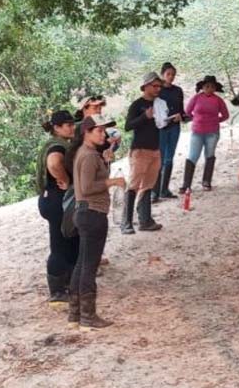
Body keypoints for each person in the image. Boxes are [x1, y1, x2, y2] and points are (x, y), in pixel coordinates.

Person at [68, 114, 126, 331]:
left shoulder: (88, 154)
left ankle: (75, 315)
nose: (104, 134)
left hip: (84, 212)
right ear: (87, 133)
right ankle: (88, 317)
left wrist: (106, 162)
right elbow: (86, 187)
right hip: (93, 212)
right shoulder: (89, 155)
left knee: (82, 263)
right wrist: (112, 181)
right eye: (99, 131)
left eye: (105, 130)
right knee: (89, 266)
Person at [36, 109, 79, 307]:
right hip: (56, 200)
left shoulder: (57, 144)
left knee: (69, 240)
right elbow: (54, 164)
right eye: (68, 125)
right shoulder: (57, 147)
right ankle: (57, 290)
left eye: (73, 124)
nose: (72, 128)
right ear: (57, 128)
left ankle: (70, 283)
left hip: (51, 199)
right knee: (59, 244)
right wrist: (66, 180)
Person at [122, 72, 164, 234]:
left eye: (159, 86)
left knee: (148, 185)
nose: (157, 89)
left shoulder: (160, 104)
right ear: (145, 86)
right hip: (140, 150)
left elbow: (161, 124)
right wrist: (144, 116)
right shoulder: (137, 104)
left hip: (155, 149)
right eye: (155, 86)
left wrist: (171, 119)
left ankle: (145, 220)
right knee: (133, 185)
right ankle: (126, 222)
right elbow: (128, 126)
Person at [182, 75, 230, 192]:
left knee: (209, 155)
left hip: (212, 132)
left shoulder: (218, 100)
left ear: (215, 88)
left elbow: (226, 115)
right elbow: (187, 111)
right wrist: (196, 118)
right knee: (193, 156)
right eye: (207, 86)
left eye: (212, 87)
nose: (209, 89)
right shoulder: (196, 98)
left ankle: (206, 181)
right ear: (202, 87)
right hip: (197, 131)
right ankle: (186, 184)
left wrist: (215, 120)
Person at [153, 62, 184, 202]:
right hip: (160, 128)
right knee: (159, 158)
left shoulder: (178, 90)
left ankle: (164, 189)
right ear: (162, 75)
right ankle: (155, 191)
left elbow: (181, 110)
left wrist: (182, 116)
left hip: (174, 126)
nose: (171, 77)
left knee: (169, 158)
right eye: (168, 74)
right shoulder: (158, 91)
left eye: (173, 75)